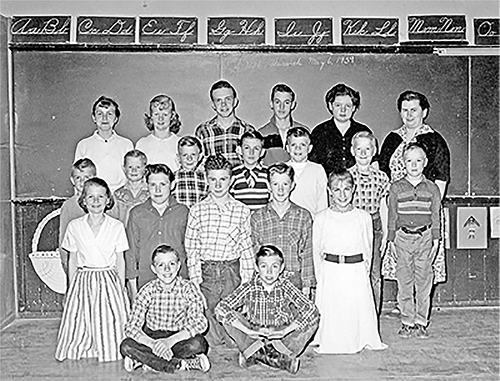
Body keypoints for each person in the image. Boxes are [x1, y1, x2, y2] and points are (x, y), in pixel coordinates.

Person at [379, 90, 450, 319]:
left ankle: (420, 315)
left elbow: (440, 182)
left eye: (414, 110)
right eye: (405, 110)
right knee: (402, 267)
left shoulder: (434, 140)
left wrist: (429, 215)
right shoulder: (392, 139)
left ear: (424, 112)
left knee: (423, 269)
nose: (409, 114)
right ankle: (405, 309)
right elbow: (382, 176)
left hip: (424, 215)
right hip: (397, 214)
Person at [55, 177, 130, 362]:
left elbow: (120, 260)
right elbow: (73, 259)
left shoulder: (116, 226)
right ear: (84, 200)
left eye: (100, 197)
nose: (96, 202)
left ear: (107, 200)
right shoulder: (75, 226)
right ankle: (83, 347)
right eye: (91, 197)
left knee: (108, 320)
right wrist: (72, 288)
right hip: (84, 279)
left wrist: (120, 287)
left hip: (108, 279)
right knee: (83, 319)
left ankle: (109, 348)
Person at [313, 171, 387, 354]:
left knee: (354, 308)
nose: (342, 195)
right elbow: (317, 250)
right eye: (337, 190)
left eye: (347, 189)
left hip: (355, 272)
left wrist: (363, 274)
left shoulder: (363, 217)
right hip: (331, 271)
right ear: (329, 191)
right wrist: (321, 278)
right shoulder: (321, 218)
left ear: (353, 189)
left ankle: (360, 337)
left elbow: (368, 248)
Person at [215, 245, 319, 374]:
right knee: (228, 316)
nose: (269, 272)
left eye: (274, 266)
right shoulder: (249, 287)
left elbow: (311, 309)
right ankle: (277, 358)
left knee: (313, 319)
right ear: (257, 268)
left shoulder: (286, 286)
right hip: (255, 334)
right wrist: (248, 330)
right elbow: (221, 308)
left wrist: (285, 331)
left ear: (281, 268)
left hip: (282, 337)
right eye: (264, 266)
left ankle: (256, 354)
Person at [185, 154, 254, 347]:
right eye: (213, 179)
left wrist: (247, 283)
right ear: (207, 180)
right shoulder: (197, 210)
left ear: (231, 180)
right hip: (208, 272)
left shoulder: (242, 210)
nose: (218, 184)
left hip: (232, 270)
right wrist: (196, 281)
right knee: (210, 315)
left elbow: (246, 248)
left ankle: (236, 350)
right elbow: (192, 249)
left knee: (233, 316)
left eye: (223, 179)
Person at [120, 245, 210, 374]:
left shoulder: (188, 288)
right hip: (152, 337)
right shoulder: (147, 290)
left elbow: (200, 322)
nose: (167, 269)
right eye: (161, 265)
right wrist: (153, 345)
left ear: (178, 266)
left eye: (171, 264)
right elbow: (131, 327)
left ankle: (146, 361)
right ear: (154, 269)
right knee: (126, 345)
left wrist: (169, 342)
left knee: (198, 344)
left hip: (178, 337)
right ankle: (180, 364)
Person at [386, 143, 441, 339]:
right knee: (404, 281)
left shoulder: (432, 188)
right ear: (403, 163)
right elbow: (392, 214)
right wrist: (391, 239)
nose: (414, 165)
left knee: (424, 282)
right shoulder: (396, 187)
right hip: (402, 238)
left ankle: (421, 322)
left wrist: (435, 238)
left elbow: (435, 214)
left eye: (418, 160)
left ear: (425, 163)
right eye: (409, 161)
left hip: (425, 238)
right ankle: (407, 321)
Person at [126, 164, 189, 300]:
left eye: (163, 184)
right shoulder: (137, 213)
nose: (158, 190)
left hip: (178, 282)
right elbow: (131, 252)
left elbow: (190, 249)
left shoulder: (183, 212)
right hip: (146, 281)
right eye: (153, 185)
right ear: (146, 185)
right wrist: (133, 289)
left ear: (172, 185)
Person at [251, 162, 315, 296]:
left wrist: (306, 287)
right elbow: (254, 253)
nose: (280, 189)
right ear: (269, 186)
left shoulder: (303, 216)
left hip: (293, 280)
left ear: (292, 186)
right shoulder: (258, 217)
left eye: (285, 184)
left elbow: (307, 253)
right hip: (265, 281)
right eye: (275, 184)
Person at [348, 131, 390, 316]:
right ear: (352, 151)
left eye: (367, 148)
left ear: (374, 150)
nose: (363, 153)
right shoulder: (346, 177)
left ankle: (372, 316)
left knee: (374, 273)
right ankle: (354, 315)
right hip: (352, 225)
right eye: (359, 149)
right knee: (354, 272)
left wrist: (386, 232)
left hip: (375, 225)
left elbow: (383, 205)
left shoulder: (381, 177)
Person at [309, 83, 376, 176]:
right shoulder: (319, 132)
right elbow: (313, 165)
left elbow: (374, 163)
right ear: (330, 105)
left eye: (347, 106)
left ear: (353, 107)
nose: (343, 110)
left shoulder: (363, 131)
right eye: (338, 105)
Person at [74, 95, 134, 192]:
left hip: (120, 196)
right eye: (99, 114)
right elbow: (77, 176)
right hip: (94, 196)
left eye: (109, 114)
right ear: (94, 118)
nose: (104, 118)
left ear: (116, 118)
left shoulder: (126, 144)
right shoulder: (84, 145)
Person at [195, 80, 254, 168]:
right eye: (218, 100)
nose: (224, 104)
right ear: (213, 105)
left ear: (235, 102)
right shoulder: (203, 131)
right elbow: (198, 163)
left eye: (228, 99)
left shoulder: (247, 130)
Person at [59, 158, 96, 274]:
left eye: (87, 178)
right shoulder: (69, 206)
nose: (82, 182)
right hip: (79, 267)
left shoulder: (101, 202)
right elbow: (64, 241)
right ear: (72, 180)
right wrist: (68, 267)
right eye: (78, 178)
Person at [259, 83, 309, 166]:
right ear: (271, 104)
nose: (281, 107)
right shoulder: (262, 133)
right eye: (277, 102)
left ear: (293, 105)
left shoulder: (304, 131)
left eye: (286, 102)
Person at [286, 126, 328, 216]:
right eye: (293, 145)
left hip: (310, 221)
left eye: (303, 145)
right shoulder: (282, 169)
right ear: (287, 148)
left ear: (309, 148)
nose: (298, 149)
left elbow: (322, 202)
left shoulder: (317, 170)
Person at [136, 94, 181, 171]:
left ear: (172, 116)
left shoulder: (179, 143)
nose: (160, 118)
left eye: (165, 115)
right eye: (156, 114)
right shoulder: (142, 143)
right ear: (151, 117)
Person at [229, 130, 270, 211]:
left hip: (261, 220)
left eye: (256, 148)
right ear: (239, 150)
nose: (251, 152)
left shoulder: (268, 174)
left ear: (262, 152)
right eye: (247, 148)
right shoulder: (233, 174)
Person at [108, 150, 149, 226]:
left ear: (145, 170)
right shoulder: (118, 195)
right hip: (123, 235)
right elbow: (112, 221)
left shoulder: (150, 193)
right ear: (124, 169)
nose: (134, 170)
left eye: (138, 167)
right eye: (130, 167)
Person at [171, 135, 208, 208]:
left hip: (200, 216)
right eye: (185, 155)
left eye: (193, 155)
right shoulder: (173, 178)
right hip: (180, 216)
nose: (189, 159)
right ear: (178, 158)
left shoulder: (206, 177)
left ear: (200, 157)